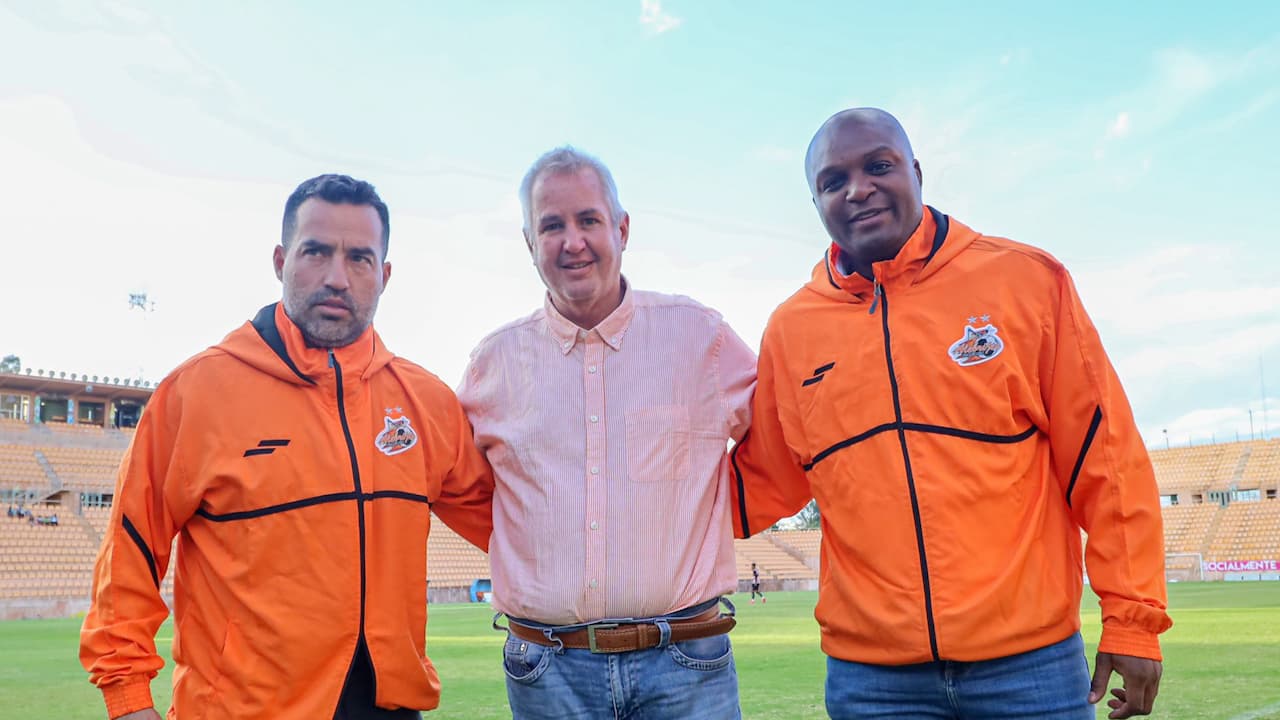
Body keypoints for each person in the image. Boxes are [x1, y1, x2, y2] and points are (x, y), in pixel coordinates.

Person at [729, 108, 1172, 720]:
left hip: (1031, 668)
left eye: (878, 166)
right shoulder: (790, 330)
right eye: (833, 181)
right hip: (871, 682)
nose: (857, 188)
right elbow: (759, 484)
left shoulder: (1026, 281)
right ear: (816, 203)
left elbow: (1107, 460)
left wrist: (1133, 621)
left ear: (916, 171)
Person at [79, 174, 494, 720]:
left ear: (385, 275)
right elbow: (129, 554)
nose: (337, 278)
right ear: (280, 260)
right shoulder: (196, 393)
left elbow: (512, 526)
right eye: (316, 252)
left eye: (360, 259)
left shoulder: (424, 402)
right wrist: (129, 701)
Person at [458, 146, 756, 719]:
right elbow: (463, 489)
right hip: (548, 670)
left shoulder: (700, 338)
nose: (573, 241)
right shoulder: (492, 364)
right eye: (552, 225)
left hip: (687, 664)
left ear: (621, 229)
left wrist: (723, 519)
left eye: (588, 220)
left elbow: (782, 442)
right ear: (529, 244)